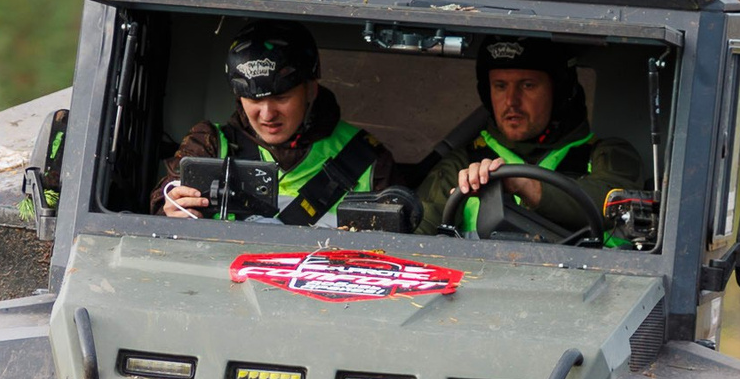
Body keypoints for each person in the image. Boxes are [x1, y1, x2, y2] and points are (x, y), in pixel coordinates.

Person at [157, 22, 392, 225]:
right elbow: (162, 216)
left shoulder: (366, 158)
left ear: (311, 90)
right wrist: (169, 211)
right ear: (239, 97)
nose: (267, 114)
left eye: (281, 98)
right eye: (254, 100)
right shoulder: (207, 145)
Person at [418, 36, 649, 238]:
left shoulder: (608, 155)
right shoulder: (461, 165)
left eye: (527, 85)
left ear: (559, 91)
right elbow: (415, 237)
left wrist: (526, 185)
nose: (511, 101)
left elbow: (616, 205)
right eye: (500, 86)